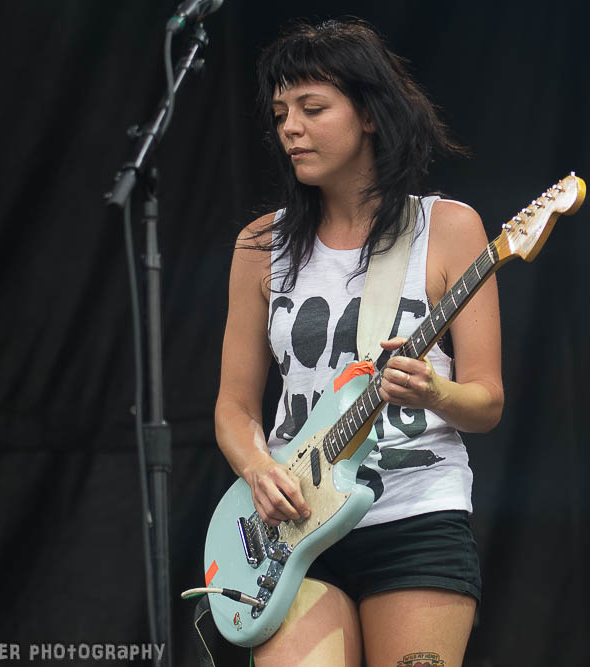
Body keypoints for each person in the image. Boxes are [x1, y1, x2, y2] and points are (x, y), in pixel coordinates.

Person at [214, 18, 503, 667]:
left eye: (312, 108)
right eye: (281, 113)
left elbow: (486, 402)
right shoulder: (260, 245)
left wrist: (435, 390)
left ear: (369, 114)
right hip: (295, 529)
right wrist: (259, 470)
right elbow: (234, 406)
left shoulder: (449, 229)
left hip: (417, 519)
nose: (290, 127)